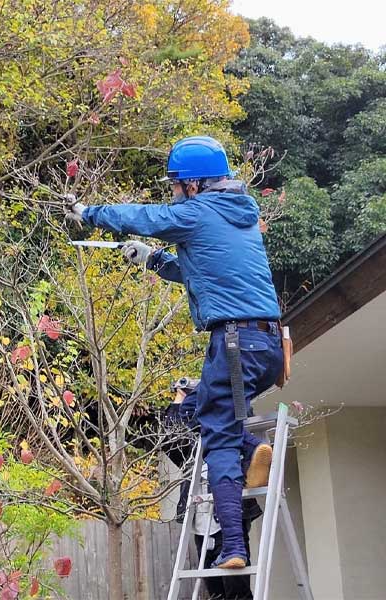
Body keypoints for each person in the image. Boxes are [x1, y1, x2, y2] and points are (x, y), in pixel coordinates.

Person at [65, 135, 283, 569]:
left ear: (195, 184)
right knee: (205, 411)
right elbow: (197, 269)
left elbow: (149, 216)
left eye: (177, 185)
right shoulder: (238, 217)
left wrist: (89, 213)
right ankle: (250, 448)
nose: (174, 193)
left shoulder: (198, 211)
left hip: (234, 342)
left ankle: (234, 546)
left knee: (216, 436)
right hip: (268, 345)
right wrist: (151, 259)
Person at [165, 380, 257, 599]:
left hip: (228, 521)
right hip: (201, 525)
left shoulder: (230, 436)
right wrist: (180, 399)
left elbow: (243, 414)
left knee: (237, 591)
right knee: (215, 592)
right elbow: (170, 439)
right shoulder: (193, 451)